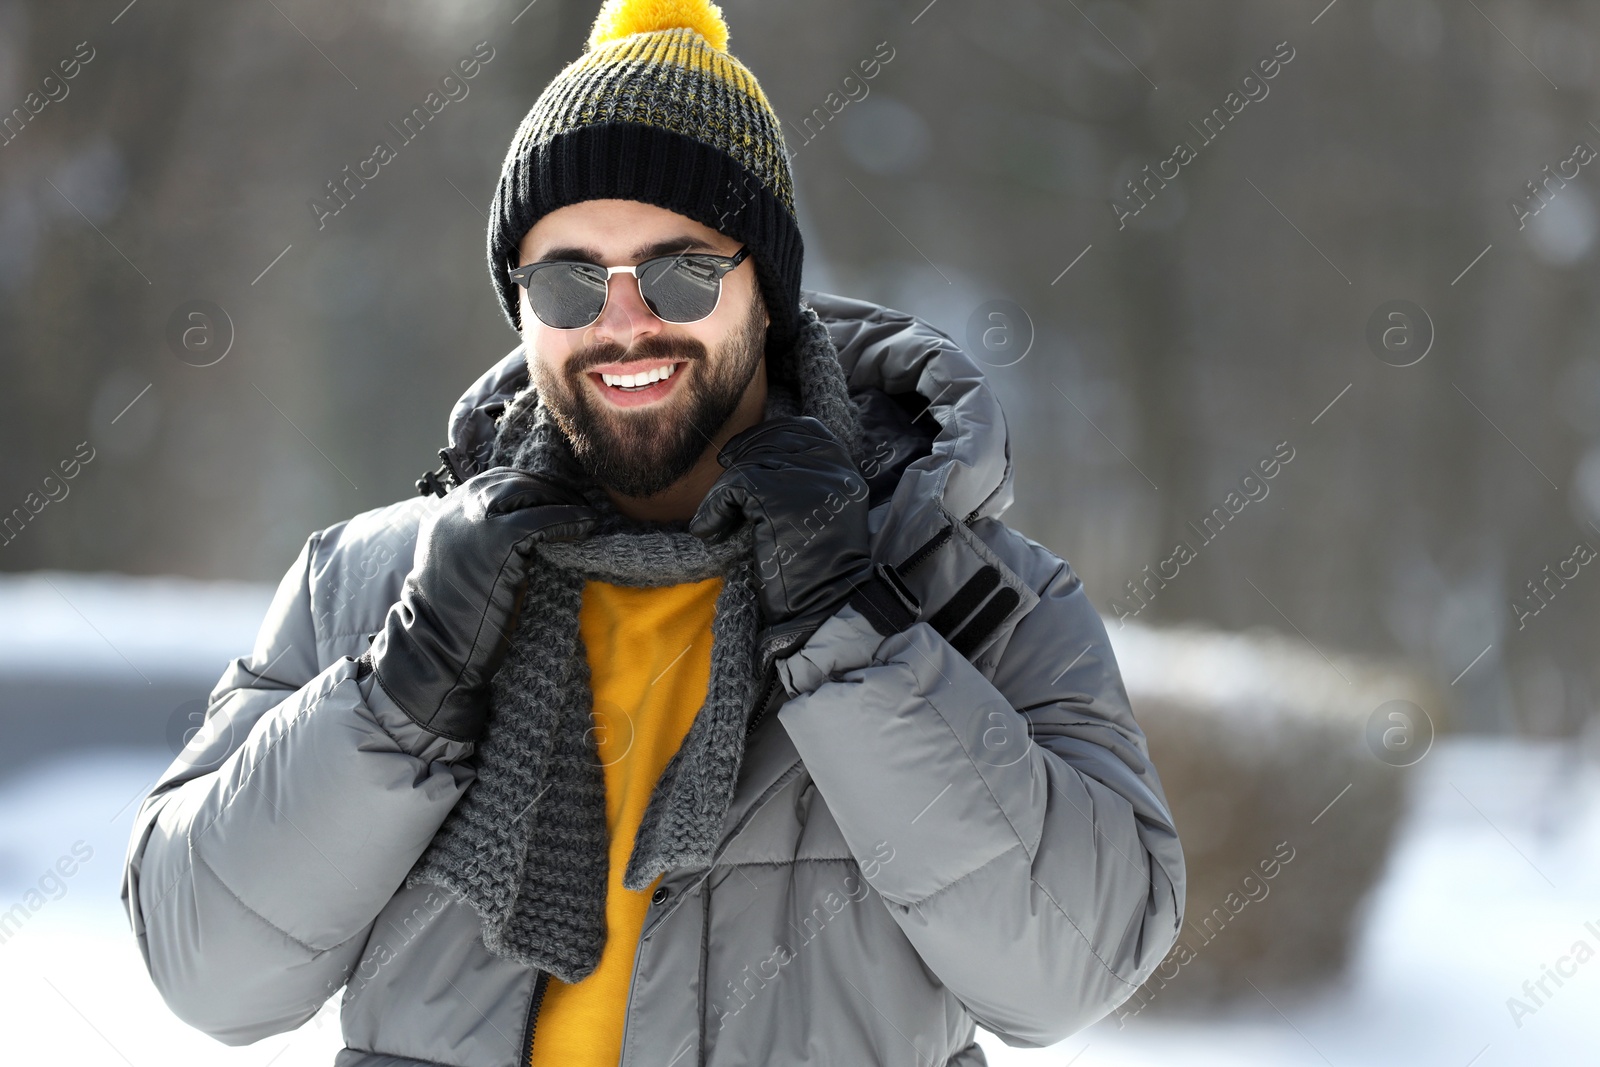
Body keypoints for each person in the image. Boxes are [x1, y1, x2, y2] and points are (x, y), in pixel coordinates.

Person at [120, 1, 1185, 1063]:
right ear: (522, 305)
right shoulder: (368, 586)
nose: (624, 321)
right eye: (568, 278)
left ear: (763, 291)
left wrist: (853, 631)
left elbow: (1068, 969)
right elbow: (209, 970)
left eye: (680, 270)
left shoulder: (965, 590)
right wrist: (404, 687)